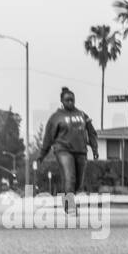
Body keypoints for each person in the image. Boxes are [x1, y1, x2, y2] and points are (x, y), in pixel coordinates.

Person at [39, 87, 99, 216]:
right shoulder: (56, 117)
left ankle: (67, 199)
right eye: (67, 100)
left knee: (78, 183)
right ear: (62, 101)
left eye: (72, 100)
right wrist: (42, 155)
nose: (70, 102)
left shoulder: (82, 115)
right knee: (69, 177)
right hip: (63, 150)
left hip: (81, 151)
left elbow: (92, 132)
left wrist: (94, 148)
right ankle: (70, 206)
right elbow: (48, 137)